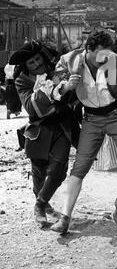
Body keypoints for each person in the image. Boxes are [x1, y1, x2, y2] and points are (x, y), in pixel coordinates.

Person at [50, 30, 117, 234]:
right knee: (79, 167)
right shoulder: (69, 60)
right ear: (88, 50)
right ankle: (65, 218)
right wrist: (65, 87)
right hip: (91, 119)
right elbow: (54, 86)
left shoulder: (116, 61)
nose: (104, 60)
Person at [9, 40, 81, 229]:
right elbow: (31, 108)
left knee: (58, 170)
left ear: (42, 57)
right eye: (31, 62)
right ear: (25, 66)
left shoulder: (57, 70)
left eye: (37, 59)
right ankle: (44, 202)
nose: (36, 64)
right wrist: (55, 91)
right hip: (40, 128)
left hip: (63, 126)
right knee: (39, 170)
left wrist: (69, 89)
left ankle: (39, 206)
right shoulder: (22, 81)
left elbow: (71, 98)